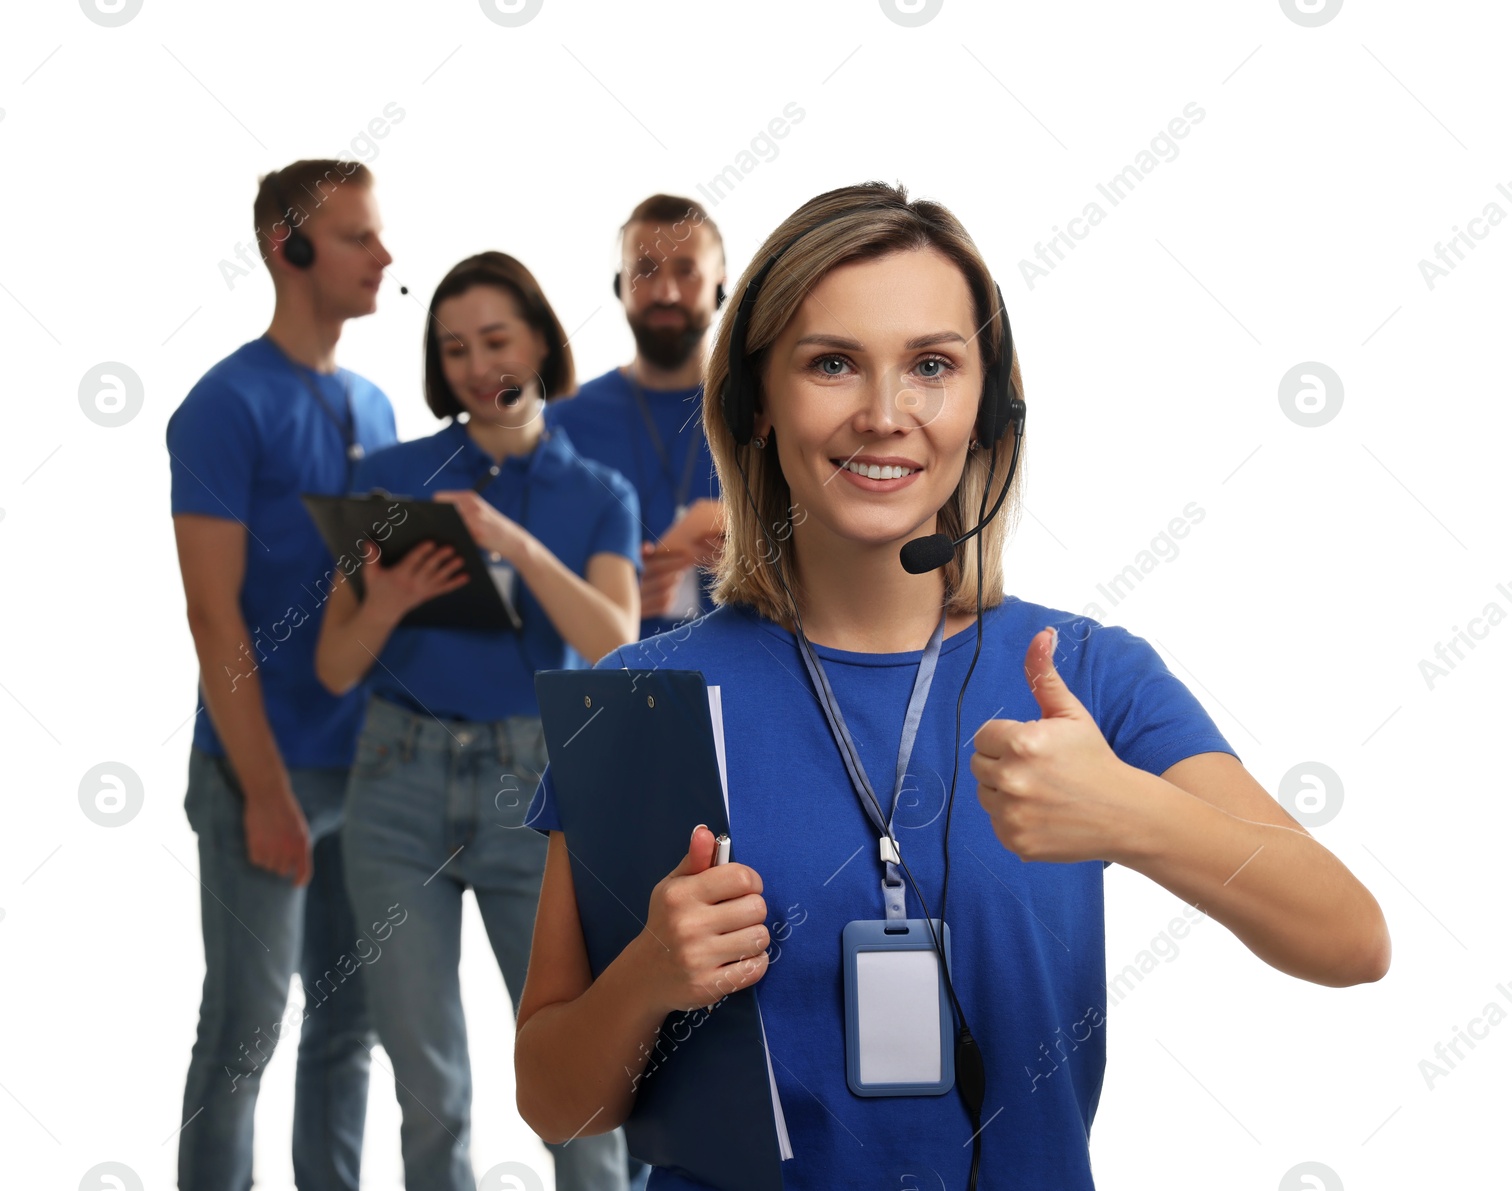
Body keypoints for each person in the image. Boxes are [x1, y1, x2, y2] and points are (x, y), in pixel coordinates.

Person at [512, 182, 1391, 1188]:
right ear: (757, 405)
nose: (885, 415)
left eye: (931, 365)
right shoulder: (644, 694)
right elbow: (553, 1098)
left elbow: (1351, 938)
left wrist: (1131, 814)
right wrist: (647, 980)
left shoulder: (1089, 677)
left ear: (987, 409)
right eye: (832, 363)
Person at [313, 251, 640, 1190]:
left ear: (539, 338)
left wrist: (513, 543)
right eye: (453, 347)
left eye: (496, 338)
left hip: (535, 789)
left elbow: (612, 637)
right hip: (393, 783)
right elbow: (337, 662)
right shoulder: (390, 480)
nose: (475, 362)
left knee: (577, 1085)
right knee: (432, 1088)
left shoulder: (597, 494)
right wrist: (387, 600)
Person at [168, 158, 399, 1191]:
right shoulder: (224, 406)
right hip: (263, 775)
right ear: (288, 246)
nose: (384, 256)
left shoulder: (379, 407)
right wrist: (263, 792)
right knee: (245, 1034)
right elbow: (210, 610)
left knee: (350, 1025)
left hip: (371, 774)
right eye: (358, 236)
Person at [545, 194, 728, 646]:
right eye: (645, 270)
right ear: (619, 284)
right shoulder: (562, 421)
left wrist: (749, 531)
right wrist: (602, 596)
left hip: (742, 683)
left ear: (720, 284)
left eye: (685, 271)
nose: (665, 292)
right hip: (604, 686)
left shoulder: (769, 416)